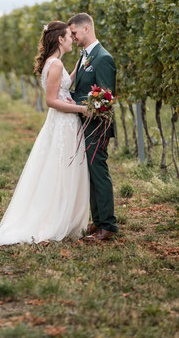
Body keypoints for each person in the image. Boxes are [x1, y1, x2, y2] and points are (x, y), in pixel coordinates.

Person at [0, 21, 89, 245]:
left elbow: (64, 85)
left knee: (59, 169)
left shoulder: (54, 64)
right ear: (60, 40)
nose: (73, 39)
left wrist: (79, 67)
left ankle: (65, 216)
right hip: (63, 122)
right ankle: (56, 218)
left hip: (63, 123)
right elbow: (52, 101)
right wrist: (82, 109)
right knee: (60, 171)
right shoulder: (54, 65)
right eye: (68, 36)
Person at [68, 13, 119, 241]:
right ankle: (97, 221)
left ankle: (108, 225)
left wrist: (76, 104)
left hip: (97, 126)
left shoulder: (103, 58)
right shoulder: (85, 57)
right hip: (84, 125)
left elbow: (105, 98)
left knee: (99, 173)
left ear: (86, 29)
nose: (74, 38)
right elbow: (83, 90)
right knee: (90, 173)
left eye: (75, 33)